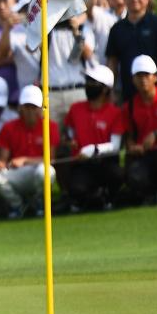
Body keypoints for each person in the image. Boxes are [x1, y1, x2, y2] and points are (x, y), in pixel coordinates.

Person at [0, 85, 60, 218]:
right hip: (16, 173)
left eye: (33, 107)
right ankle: (18, 205)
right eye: (27, 107)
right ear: (20, 108)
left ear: (40, 108)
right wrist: (1, 164)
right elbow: (3, 159)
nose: (30, 111)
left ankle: (39, 202)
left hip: (37, 171)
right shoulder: (8, 127)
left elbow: (50, 159)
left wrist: (25, 160)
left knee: (46, 171)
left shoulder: (50, 126)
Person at [59, 64, 125, 211]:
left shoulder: (115, 112)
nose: (88, 85)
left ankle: (108, 198)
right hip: (82, 164)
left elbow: (115, 145)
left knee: (117, 174)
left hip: (105, 162)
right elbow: (69, 135)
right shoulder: (75, 109)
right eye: (87, 81)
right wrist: (69, 142)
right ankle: (91, 199)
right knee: (76, 188)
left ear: (105, 89)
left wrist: (92, 149)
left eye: (92, 82)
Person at [122, 55, 157, 206]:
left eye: (146, 75)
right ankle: (148, 195)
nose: (143, 80)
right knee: (135, 176)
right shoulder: (129, 106)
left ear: (155, 77)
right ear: (133, 80)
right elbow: (129, 136)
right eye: (139, 76)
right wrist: (133, 147)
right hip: (144, 154)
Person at [106, 0, 157, 101]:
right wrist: (111, 90)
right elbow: (112, 61)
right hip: (128, 92)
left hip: (155, 90)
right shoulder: (117, 29)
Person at [43, 15, 96, 126]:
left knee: (81, 133)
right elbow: (31, 48)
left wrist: (76, 32)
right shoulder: (45, 27)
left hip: (77, 91)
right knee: (52, 135)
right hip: (52, 93)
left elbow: (88, 55)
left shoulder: (83, 28)